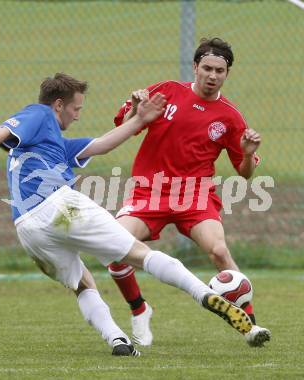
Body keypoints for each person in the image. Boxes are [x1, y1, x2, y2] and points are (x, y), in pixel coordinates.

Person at [0, 72, 254, 356]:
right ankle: (205, 295)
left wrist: (140, 118)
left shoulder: (53, 142)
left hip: (28, 230)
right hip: (60, 207)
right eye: (76, 108)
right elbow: (2, 130)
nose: (78, 115)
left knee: (82, 283)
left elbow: (101, 145)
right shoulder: (40, 114)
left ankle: (117, 339)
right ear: (58, 105)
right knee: (140, 254)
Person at [107, 37, 271, 347]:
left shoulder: (230, 117)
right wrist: (137, 113)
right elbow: (122, 128)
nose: (212, 75)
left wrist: (248, 154)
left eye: (219, 70)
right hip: (149, 192)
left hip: (194, 195)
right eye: (207, 68)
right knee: (113, 247)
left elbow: (245, 173)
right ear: (195, 67)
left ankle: (249, 324)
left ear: (227, 74)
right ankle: (139, 309)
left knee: (219, 251)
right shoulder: (166, 91)